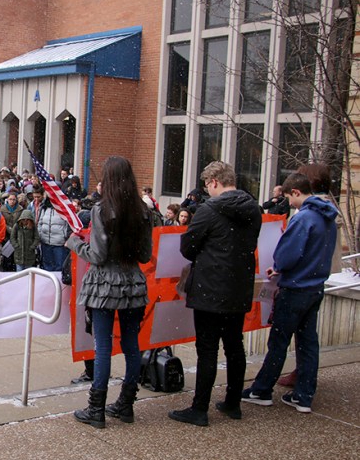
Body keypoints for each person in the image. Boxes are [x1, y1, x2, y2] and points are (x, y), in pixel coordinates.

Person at [168, 161, 262, 427]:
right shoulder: (253, 209)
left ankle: (199, 408)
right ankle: (233, 402)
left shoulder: (209, 210)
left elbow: (188, 247)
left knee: (207, 349)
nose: (207, 190)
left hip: (210, 288)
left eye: (207, 185)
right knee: (234, 345)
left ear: (214, 182)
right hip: (238, 286)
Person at [65, 156, 152, 428]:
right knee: (131, 345)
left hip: (104, 284)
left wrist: (75, 244)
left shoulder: (102, 210)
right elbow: (145, 254)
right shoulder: (143, 210)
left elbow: (98, 255)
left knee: (102, 346)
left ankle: (96, 409)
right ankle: (126, 404)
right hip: (133, 283)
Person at [241, 172, 337, 413]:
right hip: (315, 287)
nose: (289, 203)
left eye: (289, 198)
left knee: (279, 342)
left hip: (295, 288)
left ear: (296, 192)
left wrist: (279, 266)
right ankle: (304, 395)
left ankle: (262, 390)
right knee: (308, 343)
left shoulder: (303, 218)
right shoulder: (327, 216)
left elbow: (288, 254)